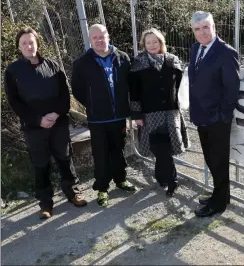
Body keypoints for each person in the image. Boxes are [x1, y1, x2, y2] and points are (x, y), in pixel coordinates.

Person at [4, 27, 87, 220]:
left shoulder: (52, 65)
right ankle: (45, 203)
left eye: (31, 42)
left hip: (58, 123)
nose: (28, 46)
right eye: (24, 43)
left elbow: (65, 94)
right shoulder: (13, 70)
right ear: (19, 46)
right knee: (40, 164)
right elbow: (14, 102)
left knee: (65, 158)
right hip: (33, 127)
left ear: (37, 43)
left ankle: (72, 192)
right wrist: (38, 119)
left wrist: (56, 113)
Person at [71, 24, 137, 207]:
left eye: (102, 36)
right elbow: (76, 88)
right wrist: (92, 103)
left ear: (108, 36)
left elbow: (132, 83)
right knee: (100, 154)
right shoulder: (82, 63)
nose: (99, 40)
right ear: (90, 40)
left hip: (119, 117)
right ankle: (102, 188)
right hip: (98, 118)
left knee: (118, 150)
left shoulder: (122, 58)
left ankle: (121, 180)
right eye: (95, 38)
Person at [188, 11, 240, 217]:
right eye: (197, 29)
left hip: (217, 118)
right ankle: (221, 195)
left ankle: (218, 204)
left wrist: (223, 115)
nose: (201, 32)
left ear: (213, 27)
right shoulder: (195, 49)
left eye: (205, 27)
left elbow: (232, 89)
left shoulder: (226, 52)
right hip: (201, 115)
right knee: (210, 159)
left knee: (218, 160)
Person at [129, 28, 190, 197]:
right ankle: (169, 180)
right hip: (150, 114)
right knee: (159, 148)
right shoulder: (138, 63)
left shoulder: (172, 61)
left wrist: (182, 103)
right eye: (148, 42)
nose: (152, 45)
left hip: (171, 113)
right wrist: (137, 115)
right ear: (144, 44)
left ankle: (166, 179)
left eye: (155, 41)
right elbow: (133, 92)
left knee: (166, 148)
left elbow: (181, 87)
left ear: (161, 42)